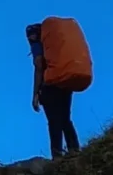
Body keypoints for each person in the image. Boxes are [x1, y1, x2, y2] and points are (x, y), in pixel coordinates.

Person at [28, 22, 81, 159]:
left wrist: (35, 94)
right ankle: (74, 151)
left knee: (53, 121)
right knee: (65, 119)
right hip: (64, 82)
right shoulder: (56, 47)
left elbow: (39, 66)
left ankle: (57, 155)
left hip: (49, 86)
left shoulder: (37, 44)